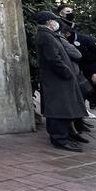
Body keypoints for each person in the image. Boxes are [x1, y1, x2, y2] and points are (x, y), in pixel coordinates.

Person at [33, 10, 88, 152]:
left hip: (59, 78)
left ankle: (64, 136)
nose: (57, 22)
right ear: (48, 22)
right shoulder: (45, 36)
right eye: (54, 20)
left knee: (62, 108)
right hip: (57, 79)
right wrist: (67, 73)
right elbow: (53, 59)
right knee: (58, 109)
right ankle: (59, 139)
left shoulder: (49, 35)